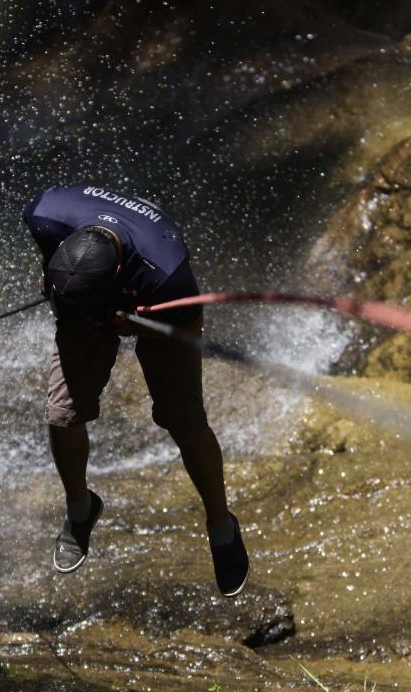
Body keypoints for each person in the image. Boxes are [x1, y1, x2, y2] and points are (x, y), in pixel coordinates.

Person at [23, 183, 249, 597]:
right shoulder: (45, 214)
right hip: (81, 297)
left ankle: (221, 523)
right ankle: (81, 507)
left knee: (184, 421)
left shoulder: (168, 273)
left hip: (148, 300)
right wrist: (59, 288)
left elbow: (184, 326)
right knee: (61, 414)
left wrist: (134, 321)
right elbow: (56, 264)